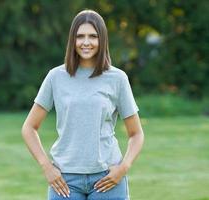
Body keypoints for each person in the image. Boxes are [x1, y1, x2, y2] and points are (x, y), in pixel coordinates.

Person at [21, 9, 144, 200]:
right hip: (65, 180)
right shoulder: (56, 77)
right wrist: (47, 167)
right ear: (73, 40)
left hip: (108, 178)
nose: (86, 42)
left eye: (93, 36)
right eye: (80, 36)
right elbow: (29, 128)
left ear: (102, 40)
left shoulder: (117, 78)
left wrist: (123, 168)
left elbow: (136, 134)